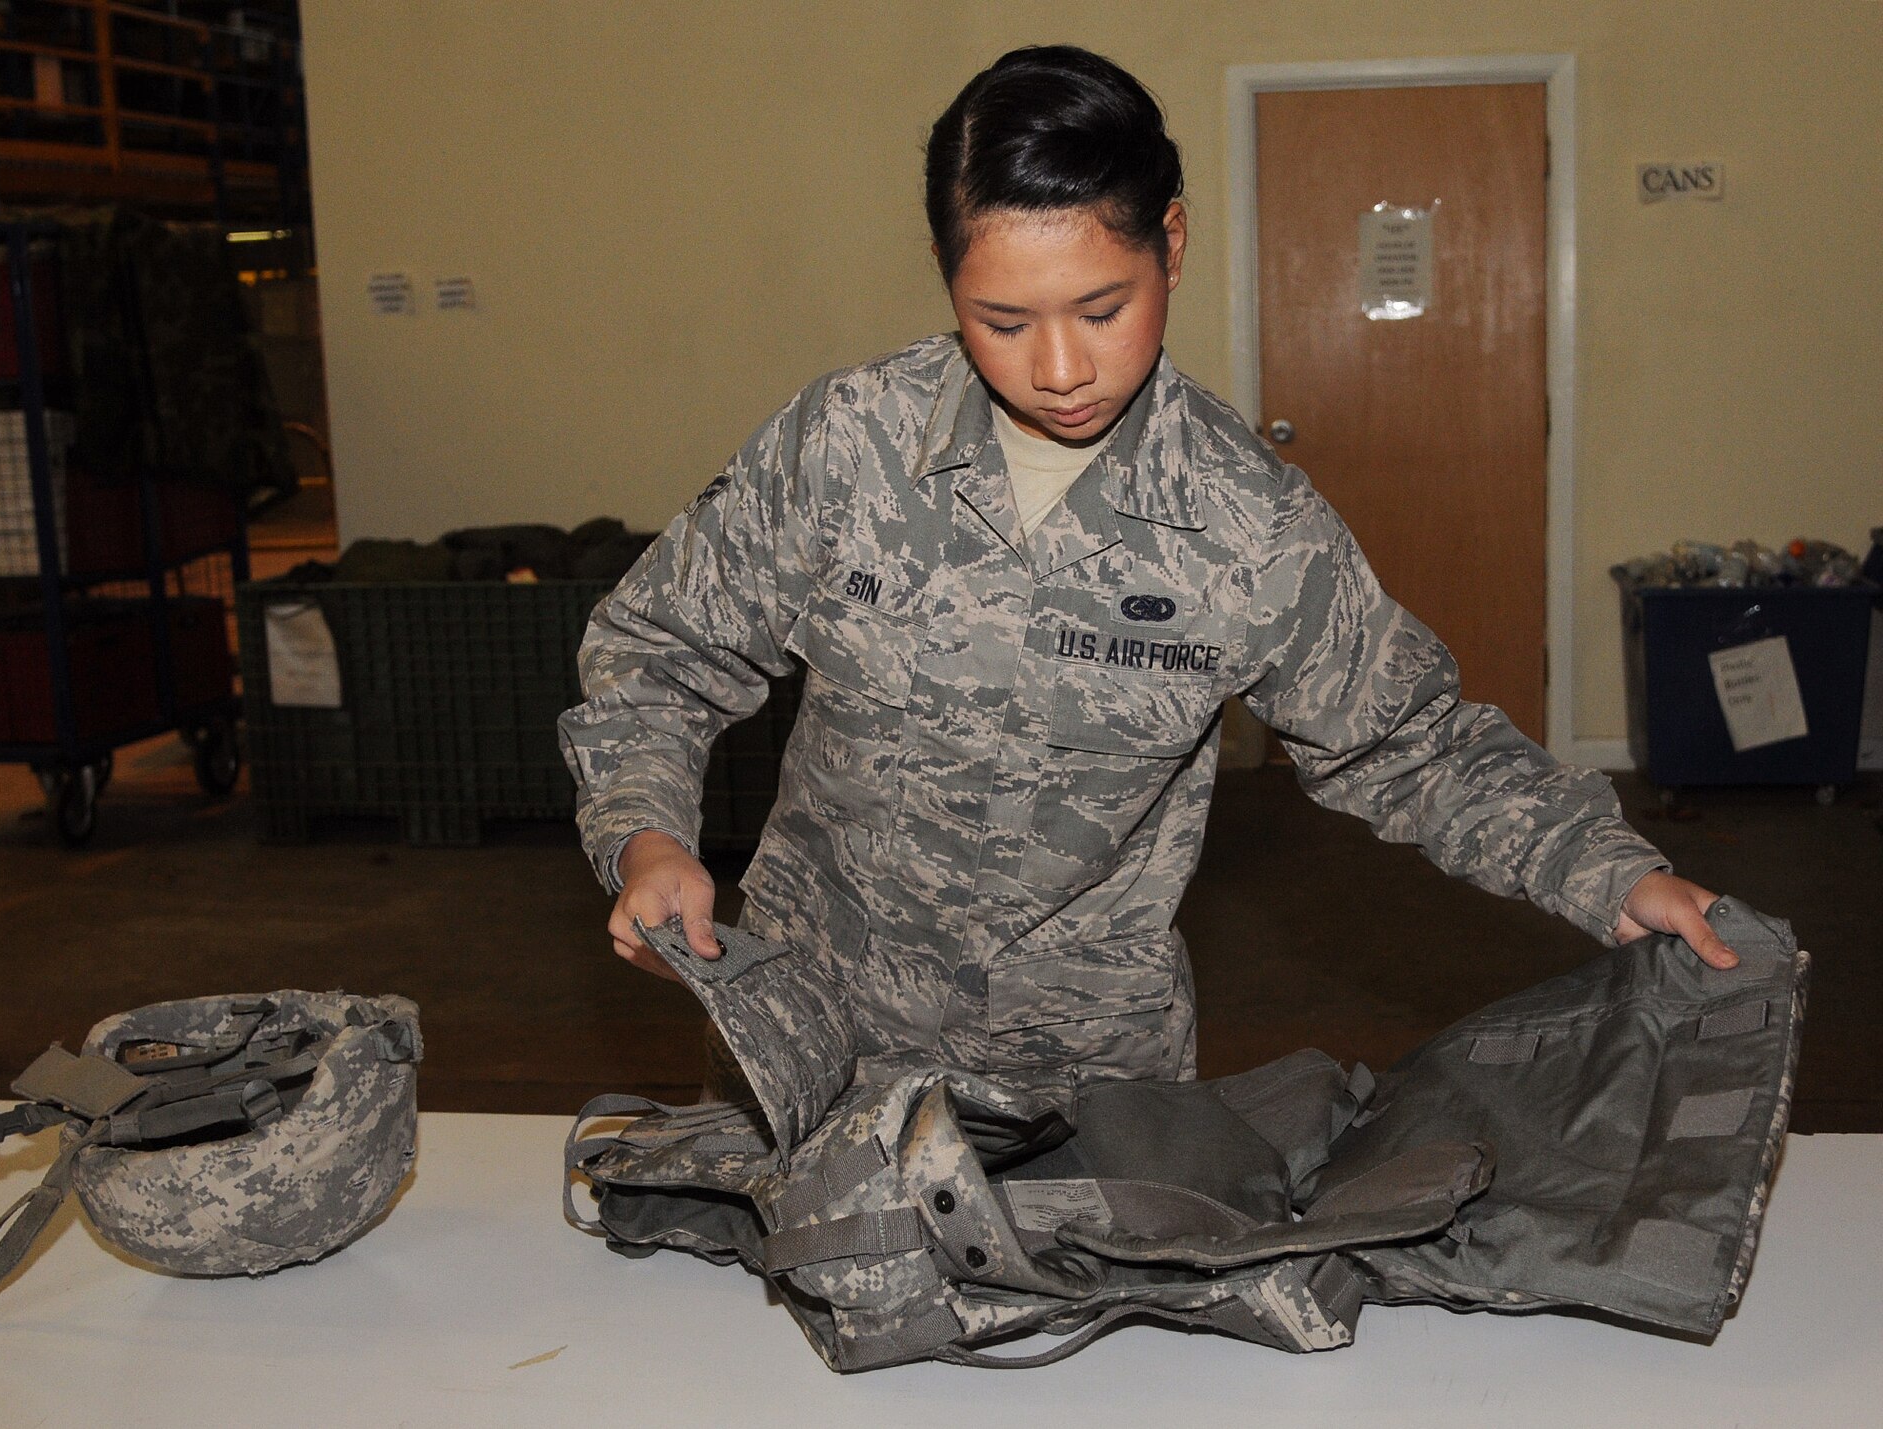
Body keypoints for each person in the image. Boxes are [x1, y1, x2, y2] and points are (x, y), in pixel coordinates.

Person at [558, 45, 1735, 1092]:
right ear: (945, 278)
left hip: (1079, 1083)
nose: (1058, 368)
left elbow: (1409, 743)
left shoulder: (1246, 523)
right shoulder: (846, 443)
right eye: (1002, 321)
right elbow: (660, 650)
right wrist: (645, 835)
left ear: (1169, 244)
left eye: (1101, 308)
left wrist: (1603, 870)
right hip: (810, 1036)